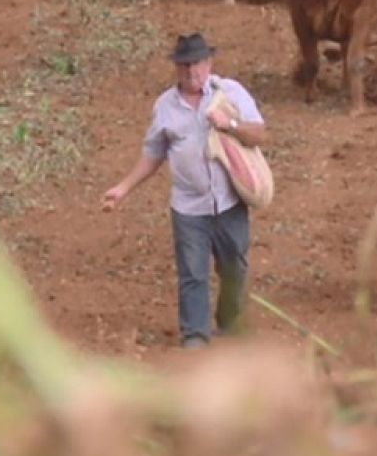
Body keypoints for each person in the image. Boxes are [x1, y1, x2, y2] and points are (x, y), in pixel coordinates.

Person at [101, 32, 268, 349]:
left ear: (209, 63)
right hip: (189, 208)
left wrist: (228, 125)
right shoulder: (165, 106)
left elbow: (259, 134)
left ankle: (229, 323)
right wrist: (123, 188)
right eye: (185, 66)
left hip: (230, 202)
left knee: (235, 267)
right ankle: (195, 335)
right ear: (176, 68)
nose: (192, 72)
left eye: (198, 64)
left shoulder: (229, 93)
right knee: (193, 273)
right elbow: (153, 154)